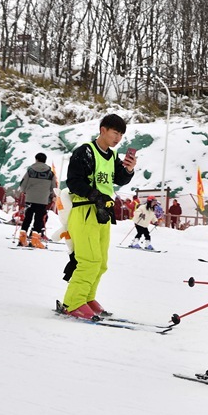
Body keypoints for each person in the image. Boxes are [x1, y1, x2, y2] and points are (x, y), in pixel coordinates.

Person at [59, 114, 135, 319]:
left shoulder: (112, 156)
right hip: (85, 210)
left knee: (101, 262)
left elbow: (119, 178)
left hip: (103, 212)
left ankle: (86, 297)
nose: (118, 138)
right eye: (115, 132)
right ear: (103, 130)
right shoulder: (85, 152)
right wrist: (95, 195)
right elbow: (73, 182)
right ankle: (73, 302)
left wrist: (128, 169)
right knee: (88, 260)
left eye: (121, 134)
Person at [18, 152, 55, 248]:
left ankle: (22, 239)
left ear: (36, 159)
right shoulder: (50, 173)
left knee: (27, 218)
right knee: (38, 220)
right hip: (43, 200)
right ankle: (35, 241)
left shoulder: (30, 171)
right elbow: (53, 187)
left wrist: (25, 191)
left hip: (30, 198)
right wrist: (50, 195)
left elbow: (23, 184)